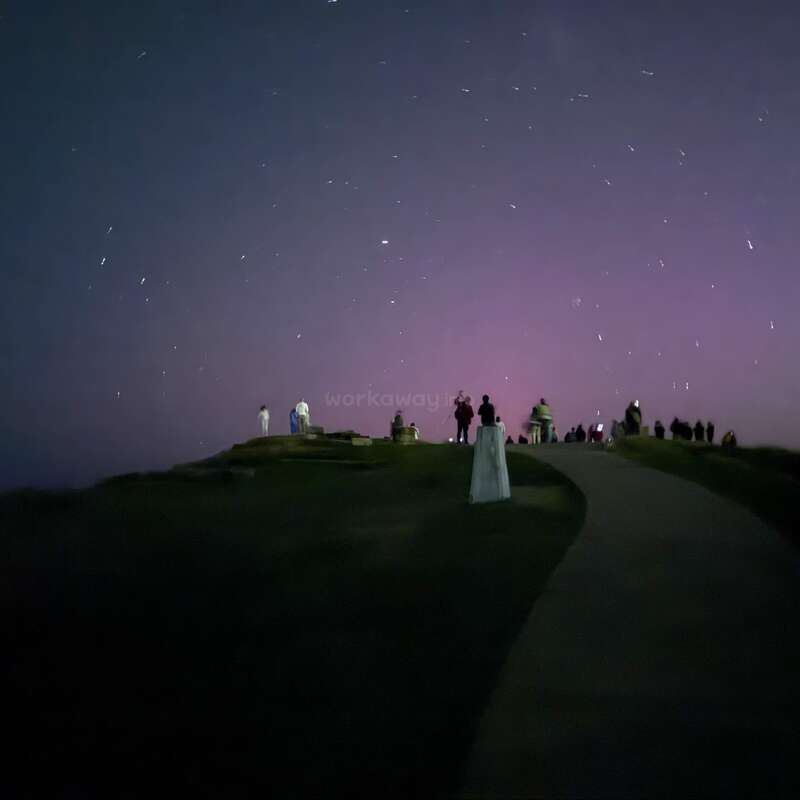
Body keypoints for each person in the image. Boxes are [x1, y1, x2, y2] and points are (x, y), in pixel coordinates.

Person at [469, 394, 511, 504]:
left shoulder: (483, 406)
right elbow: (490, 413)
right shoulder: (490, 406)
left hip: (485, 423)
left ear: (484, 399)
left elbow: (479, 413)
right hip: (489, 424)